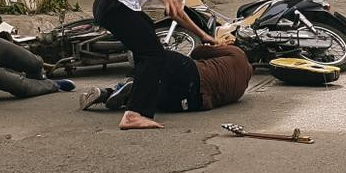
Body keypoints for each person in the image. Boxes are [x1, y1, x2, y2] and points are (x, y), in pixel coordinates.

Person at [92, 0, 229, 129]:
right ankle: (134, 114)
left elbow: (178, 14)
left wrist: (205, 36)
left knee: (150, 49)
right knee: (153, 55)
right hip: (115, 2)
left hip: (117, 5)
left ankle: (135, 104)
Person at [79, 45, 253, 114]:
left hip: (195, 74)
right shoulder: (241, 90)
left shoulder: (237, 53)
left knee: (152, 55)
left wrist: (216, 42)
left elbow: (198, 52)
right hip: (195, 103)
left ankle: (117, 88)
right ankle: (110, 95)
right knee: (153, 95)